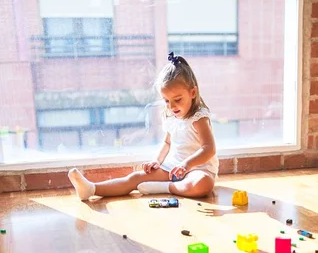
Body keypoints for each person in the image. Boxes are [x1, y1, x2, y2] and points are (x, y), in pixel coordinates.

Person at [68, 53, 218, 201]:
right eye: (166, 101)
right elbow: (167, 143)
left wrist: (186, 165)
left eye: (177, 99)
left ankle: (165, 188)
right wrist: (157, 162)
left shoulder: (199, 118)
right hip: (172, 167)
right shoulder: (171, 117)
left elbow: (209, 148)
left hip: (198, 169)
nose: (171, 106)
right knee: (135, 178)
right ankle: (92, 189)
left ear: (193, 92)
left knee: (203, 184)